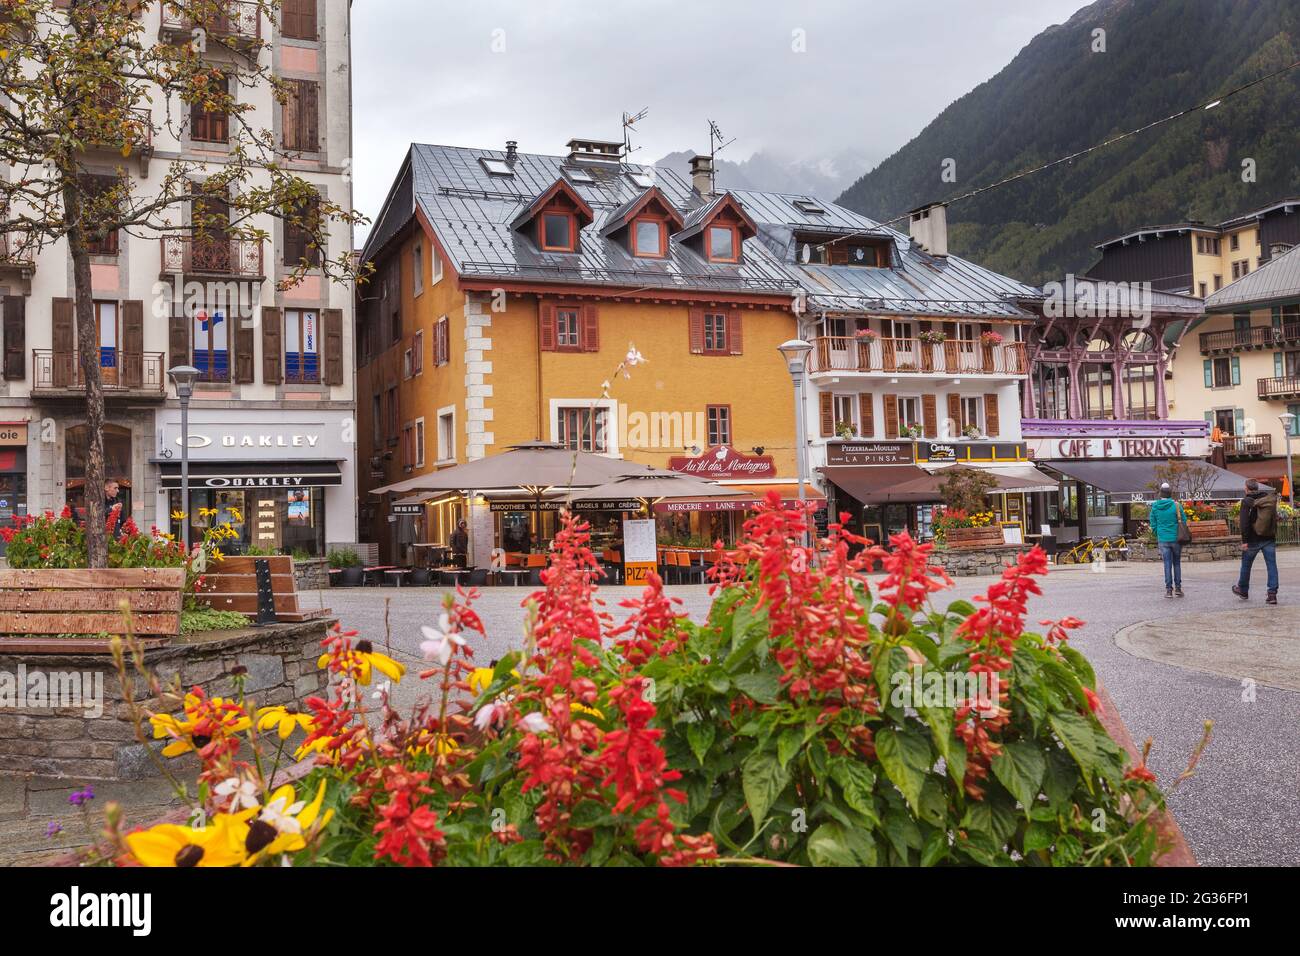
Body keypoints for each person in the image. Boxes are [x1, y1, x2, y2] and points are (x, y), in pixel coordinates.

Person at [1233, 479, 1279, 604]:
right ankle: (1272, 594)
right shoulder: (1267, 498)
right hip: (1269, 538)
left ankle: (1243, 590)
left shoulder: (1247, 501)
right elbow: (1274, 517)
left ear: (1247, 488)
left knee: (1246, 565)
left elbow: (1244, 523)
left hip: (1253, 539)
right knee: (1271, 566)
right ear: (1257, 487)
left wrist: (1245, 540)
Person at [1147, 483, 1185, 598]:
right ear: (1170, 494)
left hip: (1163, 539)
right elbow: (1183, 520)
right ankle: (1178, 588)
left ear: (1160, 494)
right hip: (1176, 538)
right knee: (1177, 563)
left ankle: (1169, 590)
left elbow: (1152, 523)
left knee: (1167, 564)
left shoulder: (1155, 507)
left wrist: (1157, 533)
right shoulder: (1176, 506)